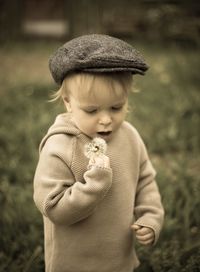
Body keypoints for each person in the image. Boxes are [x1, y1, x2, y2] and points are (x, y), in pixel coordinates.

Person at [33, 34, 164, 272]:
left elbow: (145, 181)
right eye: (91, 110)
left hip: (119, 257)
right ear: (68, 102)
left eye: (116, 107)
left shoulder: (130, 136)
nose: (106, 119)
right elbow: (54, 209)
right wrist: (95, 184)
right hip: (74, 262)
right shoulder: (60, 146)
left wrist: (151, 217)